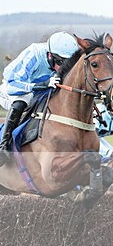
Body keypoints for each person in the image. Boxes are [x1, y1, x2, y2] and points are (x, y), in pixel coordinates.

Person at [0, 31, 80, 166]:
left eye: (67, 63)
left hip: (40, 93)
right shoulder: (34, 54)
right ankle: (3, 146)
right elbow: (12, 84)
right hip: (12, 91)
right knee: (23, 99)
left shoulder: (60, 62)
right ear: (49, 55)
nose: (62, 68)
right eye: (60, 62)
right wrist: (39, 85)